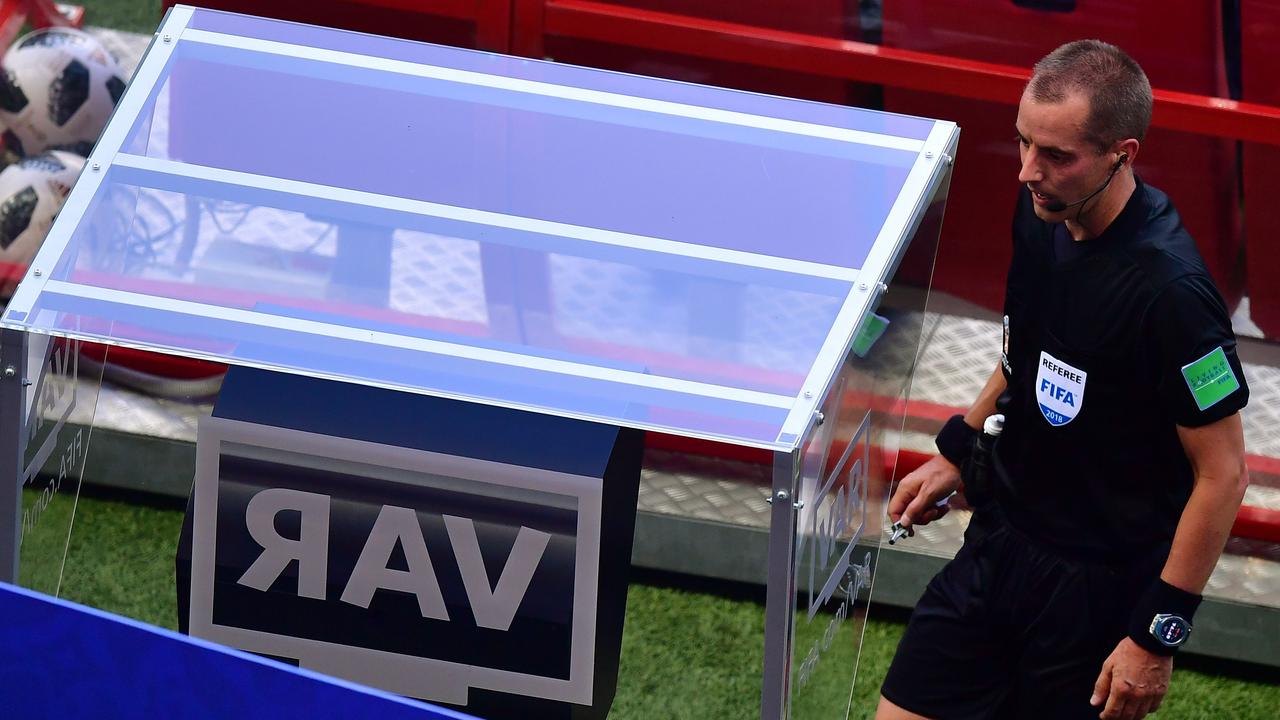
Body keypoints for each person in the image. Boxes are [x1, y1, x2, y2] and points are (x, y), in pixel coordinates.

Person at [877, 40, 1250, 720]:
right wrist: (956, 449)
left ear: (1122, 153)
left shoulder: (1172, 294)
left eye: (1056, 155)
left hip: (1098, 594)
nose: (1028, 171)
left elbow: (1224, 475)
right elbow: (1025, 353)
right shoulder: (1043, 210)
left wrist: (1155, 635)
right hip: (1000, 546)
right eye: (1023, 143)